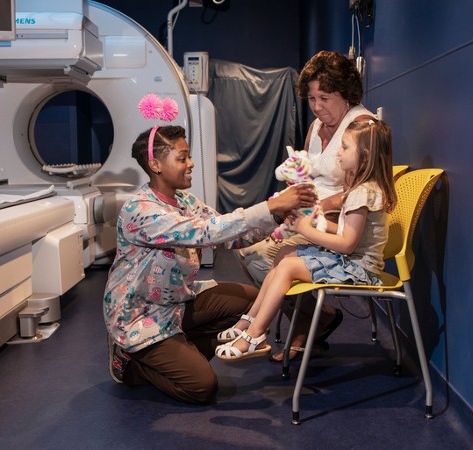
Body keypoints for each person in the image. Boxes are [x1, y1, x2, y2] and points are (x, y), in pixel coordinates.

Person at [104, 124, 316, 404]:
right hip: (142, 316)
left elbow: (231, 236)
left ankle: (179, 350)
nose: (191, 163)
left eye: (188, 156)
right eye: (182, 158)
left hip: (177, 302)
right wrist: (270, 206)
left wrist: (277, 217)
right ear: (156, 165)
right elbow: (206, 231)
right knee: (201, 387)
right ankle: (130, 363)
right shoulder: (139, 210)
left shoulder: (185, 201)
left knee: (251, 301)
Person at [215, 119, 396, 361]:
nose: (338, 153)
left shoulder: (362, 192)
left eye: (344, 147)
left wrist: (305, 229)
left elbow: (347, 244)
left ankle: (256, 334)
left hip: (360, 268)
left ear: (364, 155)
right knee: (283, 255)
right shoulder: (362, 188)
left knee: (288, 266)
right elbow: (344, 232)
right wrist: (310, 224)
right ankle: (249, 320)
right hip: (352, 261)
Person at [237, 50, 375, 361]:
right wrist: (292, 201)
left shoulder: (362, 127)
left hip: (334, 223)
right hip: (307, 217)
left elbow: (363, 190)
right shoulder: (315, 127)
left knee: (262, 258)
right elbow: (306, 173)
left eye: (325, 97)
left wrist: (321, 205)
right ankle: (318, 315)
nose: (317, 107)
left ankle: (304, 322)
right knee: (246, 250)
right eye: (312, 99)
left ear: (346, 91)